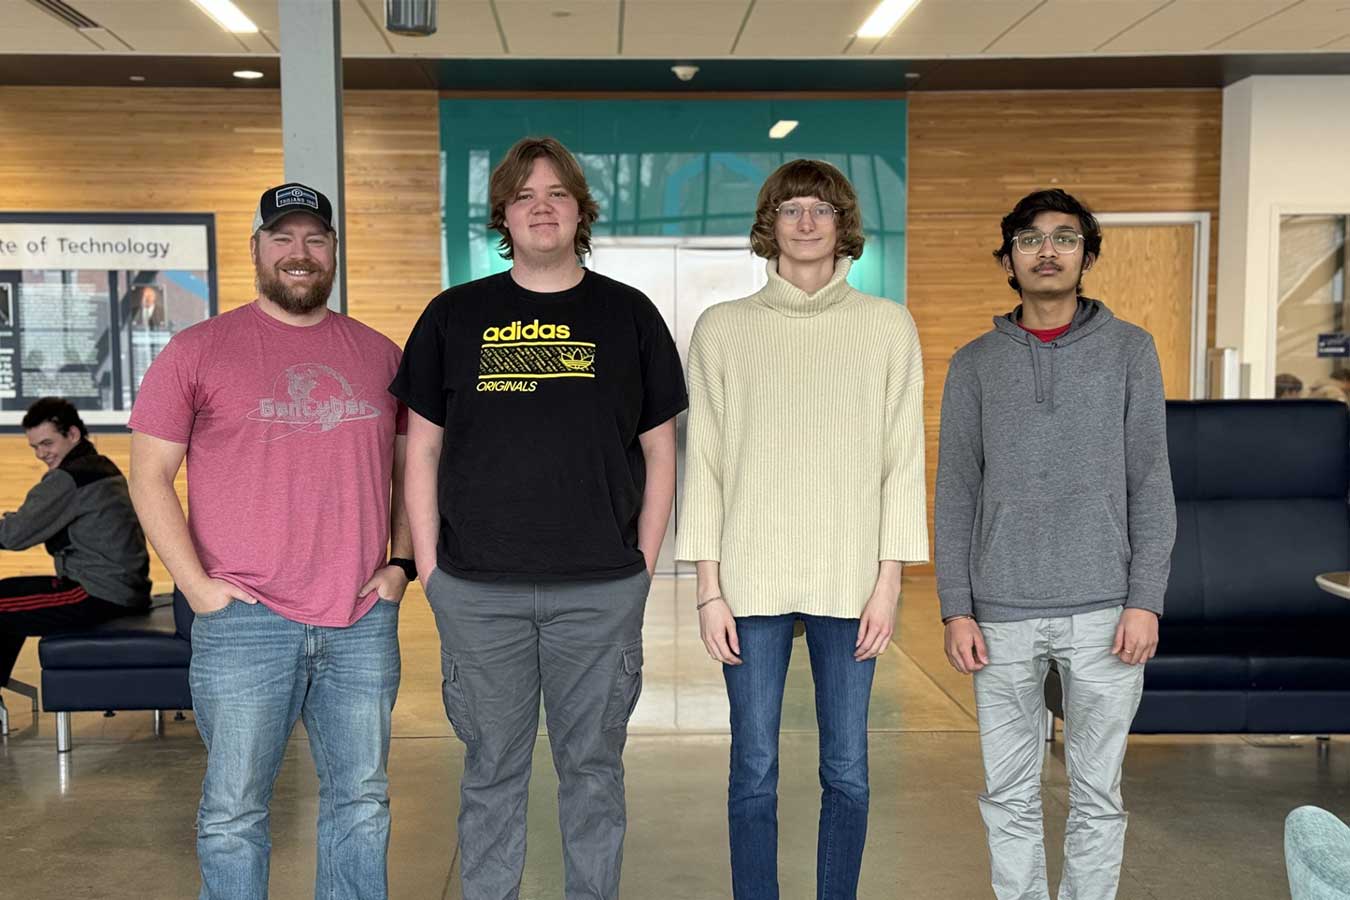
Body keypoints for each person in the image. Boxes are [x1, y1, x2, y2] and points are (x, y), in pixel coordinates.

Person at [391, 136, 686, 900]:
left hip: (599, 589)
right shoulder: (455, 316)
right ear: (505, 217)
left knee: (592, 773)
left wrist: (642, 569)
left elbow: (662, 453)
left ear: (580, 211)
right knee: (492, 770)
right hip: (478, 590)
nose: (542, 207)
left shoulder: (629, 316)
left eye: (557, 194)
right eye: (525, 196)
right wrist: (430, 569)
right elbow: (418, 450)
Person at [128, 183, 411, 900]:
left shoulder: (382, 357)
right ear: (256, 249)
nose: (299, 253)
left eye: (315, 239)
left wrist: (401, 565)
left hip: (358, 621)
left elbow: (414, 475)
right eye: (282, 238)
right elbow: (149, 476)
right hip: (244, 618)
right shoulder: (197, 350)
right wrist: (197, 588)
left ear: (334, 252)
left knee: (363, 803)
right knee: (233, 813)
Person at [678, 159, 928, 899]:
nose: (809, 221)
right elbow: (709, 467)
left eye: (823, 208)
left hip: (851, 583)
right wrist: (707, 590)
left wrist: (888, 587)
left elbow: (902, 465)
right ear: (771, 226)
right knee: (752, 767)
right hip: (748, 583)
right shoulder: (724, 330)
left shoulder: (886, 326)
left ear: (844, 224)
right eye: (792, 208)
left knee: (846, 768)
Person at [935, 188, 1176, 900]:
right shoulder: (974, 362)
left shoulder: (1131, 351)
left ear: (1087, 255)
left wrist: (1146, 600)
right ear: (1008, 257)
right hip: (1000, 611)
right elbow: (955, 491)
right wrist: (956, 606)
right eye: (1031, 238)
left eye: (1065, 238)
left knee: (1099, 795)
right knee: (1008, 794)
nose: (1047, 251)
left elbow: (1152, 483)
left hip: (1106, 610)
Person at [0, 397, 150, 703]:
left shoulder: (69, 478)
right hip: (121, 588)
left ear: (72, 435)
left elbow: (13, 535)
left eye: (47, 443)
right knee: (7, 597)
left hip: (98, 592)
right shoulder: (100, 465)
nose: (42, 454)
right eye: (35, 448)